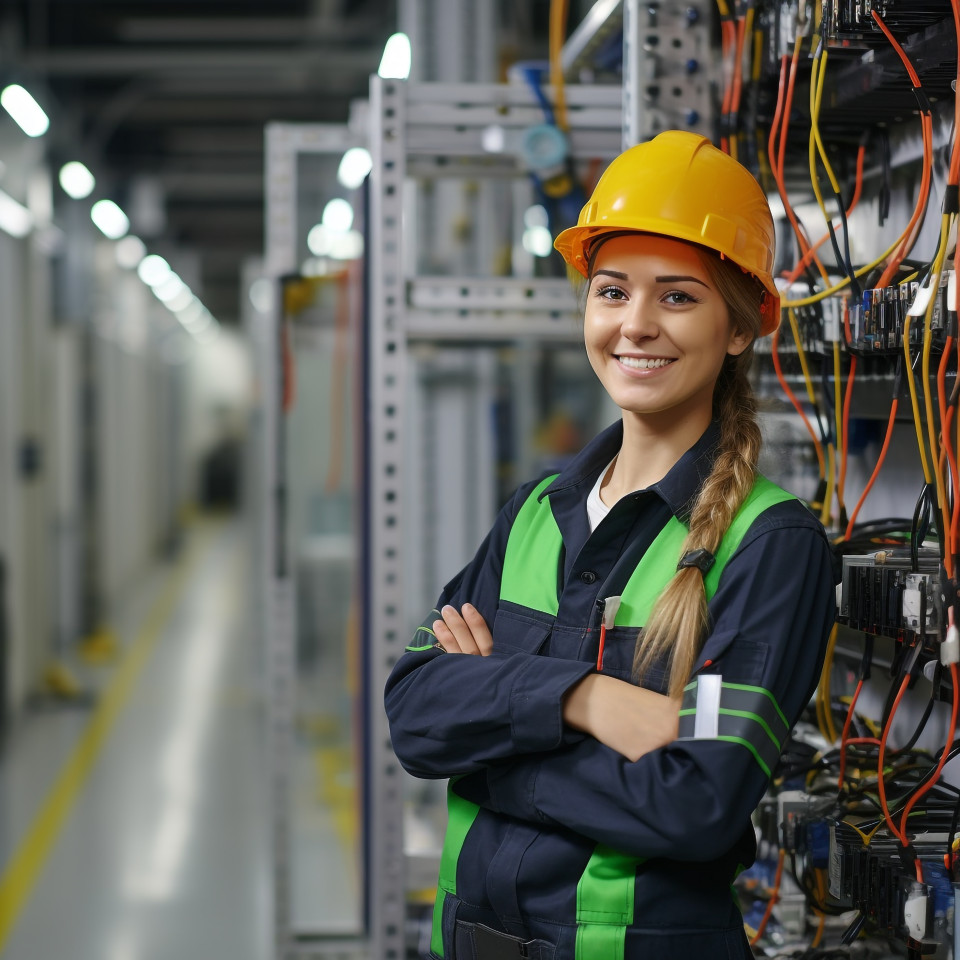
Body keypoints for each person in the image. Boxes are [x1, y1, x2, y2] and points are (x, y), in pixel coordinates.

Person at [384, 130, 836, 960]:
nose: (635, 325)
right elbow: (414, 714)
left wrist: (489, 749)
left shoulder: (770, 546)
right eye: (611, 290)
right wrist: (583, 700)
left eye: (676, 297)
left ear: (738, 328)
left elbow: (695, 804)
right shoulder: (535, 514)